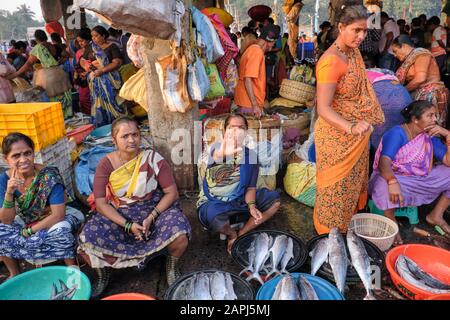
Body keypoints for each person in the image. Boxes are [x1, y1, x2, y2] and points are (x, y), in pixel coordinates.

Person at [77, 117, 191, 286]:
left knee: (180, 231)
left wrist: (151, 217)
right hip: (120, 214)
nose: (131, 140)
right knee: (86, 239)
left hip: (153, 209)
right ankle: (103, 272)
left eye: (135, 134)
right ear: (114, 140)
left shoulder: (152, 158)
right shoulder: (105, 164)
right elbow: (101, 203)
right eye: (125, 136)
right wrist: (128, 225)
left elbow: (171, 192)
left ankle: (172, 265)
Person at [314, 5, 385, 234]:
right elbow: (323, 108)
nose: (361, 36)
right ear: (341, 27)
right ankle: (327, 236)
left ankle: (346, 231)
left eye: (364, 31)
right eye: (356, 30)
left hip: (356, 136)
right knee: (335, 190)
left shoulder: (351, 53)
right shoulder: (331, 61)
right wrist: (351, 127)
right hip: (337, 138)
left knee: (350, 188)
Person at [0, 133, 84, 280]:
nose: (23, 159)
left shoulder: (48, 175)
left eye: (27, 153)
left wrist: (29, 232)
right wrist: (9, 192)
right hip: (29, 218)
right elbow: (6, 220)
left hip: (61, 215)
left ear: (33, 154)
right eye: (16, 156)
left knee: (60, 233)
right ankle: (15, 274)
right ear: (5, 159)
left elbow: (58, 215)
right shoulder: (4, 180)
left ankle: (73, 272)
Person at [197, 114, 281, 253]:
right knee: (211, 216)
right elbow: (216, 155)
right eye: (231, 128)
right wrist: (222, 154)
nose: (236, 131)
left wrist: (252, 206)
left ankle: (241, 233)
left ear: (246, 132)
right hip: (215, 201)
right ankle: (231, 233)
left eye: (241, 128)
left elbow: (251, 187)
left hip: (240, 200)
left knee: (274, 201)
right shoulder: (216, 148)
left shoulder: (251, 156)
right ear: (224, 131)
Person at [369, 100, 450, 244]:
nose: (435, 119)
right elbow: (384, 162)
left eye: (435, 116)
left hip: (416, 178)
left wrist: (448, 136)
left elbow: (447, 161)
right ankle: (391, 223)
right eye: (430, 115)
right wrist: (392, 182)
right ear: (415, 119)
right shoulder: (397, 133)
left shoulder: (429, 136)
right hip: (392, 176)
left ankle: (435, 215)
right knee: (383, 186)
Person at [7, 30, 73, 119]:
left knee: (52, 103)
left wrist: (15, 74)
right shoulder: (53, 46)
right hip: (60, 74)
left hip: (48, 77)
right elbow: (66, 55)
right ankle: (67, 119)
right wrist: (59, 62)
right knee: (62, 99)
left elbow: (28, 64)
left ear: (36, 38)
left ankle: (59, 121)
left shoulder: (38, 48)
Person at [393, 35, 449, 128]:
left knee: (431, 129)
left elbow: (420, 78)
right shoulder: (410, 58)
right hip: (422, 96)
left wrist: (402, 91)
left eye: (395, 51)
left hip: (431, 96)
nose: (395, 55)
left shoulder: (422, 54)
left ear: (404, 46)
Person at [234, 25, 280, 118]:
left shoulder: (252, 49)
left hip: (246, 102)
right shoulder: (256, 51)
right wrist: (255, 105)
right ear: (271, 41)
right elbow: (248, 79)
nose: (274, 44)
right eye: (274, 42)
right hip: (249, 104)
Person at [86, 26, 128, 127]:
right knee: (100, 103)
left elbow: (117, 62)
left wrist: (102, 70)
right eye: (92, 36)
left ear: (103, 35)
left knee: (115, 101)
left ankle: (121, 124)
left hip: (110, 80)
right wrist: (92, 66)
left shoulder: (112, 47)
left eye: (96, 36)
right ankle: (105, 125)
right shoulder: (93, 48)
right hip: (98, 82)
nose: (94, 38)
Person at [367, 68, 413, 149]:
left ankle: (380, 156)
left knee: (381, 134)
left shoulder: (361, 74)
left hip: (384, 98)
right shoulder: (386, 72)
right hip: (404, 97)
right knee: (400, 132)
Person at [75, 28, 94, 116]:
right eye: (78, 41)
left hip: (93, 78)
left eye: (82, 41)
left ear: (88, 39)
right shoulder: (79, 52)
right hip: (83, 81)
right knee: (84, 99)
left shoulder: (94, 50)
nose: (80, 43)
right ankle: (88, 118)